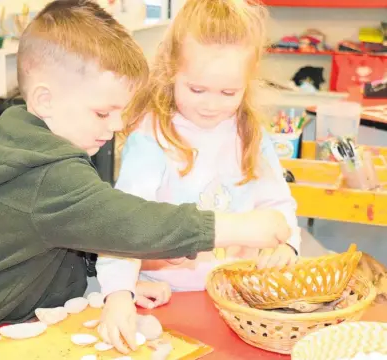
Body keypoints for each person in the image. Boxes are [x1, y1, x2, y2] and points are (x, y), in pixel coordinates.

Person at [0, 0, 290, 348]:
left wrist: (108, 283)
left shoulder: (36, 147)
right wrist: (235, 228)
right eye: (103, 113)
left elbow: (64, 240)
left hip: (21, 322)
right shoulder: (46, 176)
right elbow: (127, 221)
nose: (116, 125)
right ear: (44, 100)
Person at [96, 0, 302, 353]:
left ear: (247, 83)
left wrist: (288, 245)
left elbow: (277, 204)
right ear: (171, 70)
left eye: (229, 93)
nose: (211, 104)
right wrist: (119, 296)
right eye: (197, 89)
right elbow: (123, 224)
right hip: (167, 296)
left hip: (240, 296)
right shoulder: (153, 136)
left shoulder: (249, 132)